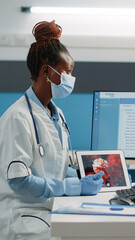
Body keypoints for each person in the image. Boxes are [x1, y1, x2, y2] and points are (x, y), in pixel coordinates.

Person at [0, 20, 104, 240]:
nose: (70, 79)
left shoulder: (56, 114)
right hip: (22, 219)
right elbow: (19, 180)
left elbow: (56, 166)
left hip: (48, 210)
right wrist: (72, 186)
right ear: (46, 71)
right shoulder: (17, 117)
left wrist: (81, 177)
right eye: (67, 72)